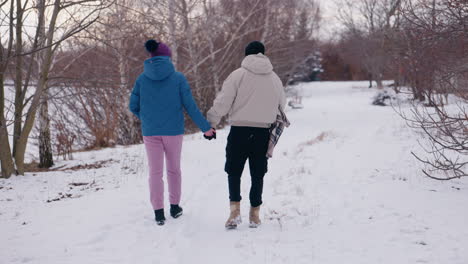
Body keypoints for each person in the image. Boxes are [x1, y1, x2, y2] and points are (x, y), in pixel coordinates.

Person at [129, 39, 215, 226]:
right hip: (173, 131)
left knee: (155, 172)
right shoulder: (178, 78)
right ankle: (175, 208)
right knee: (173, 169)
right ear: (168, 57)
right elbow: (190, 107)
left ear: (151, 57)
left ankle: (158, 212)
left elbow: (132, 106)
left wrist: (147, 118)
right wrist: (206, 128)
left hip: (150, 132)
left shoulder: (141, 79)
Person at [207, 41, 286, 229]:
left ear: (246, 55)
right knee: (258, 173)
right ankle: (255, 215)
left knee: (233, 171)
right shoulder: (274, 79)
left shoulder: (238, 75)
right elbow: (281, 106)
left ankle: (234, 213)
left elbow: (223, 102)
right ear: (263, 54)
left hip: (239, 131)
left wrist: (211, 122)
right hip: (262, 132)